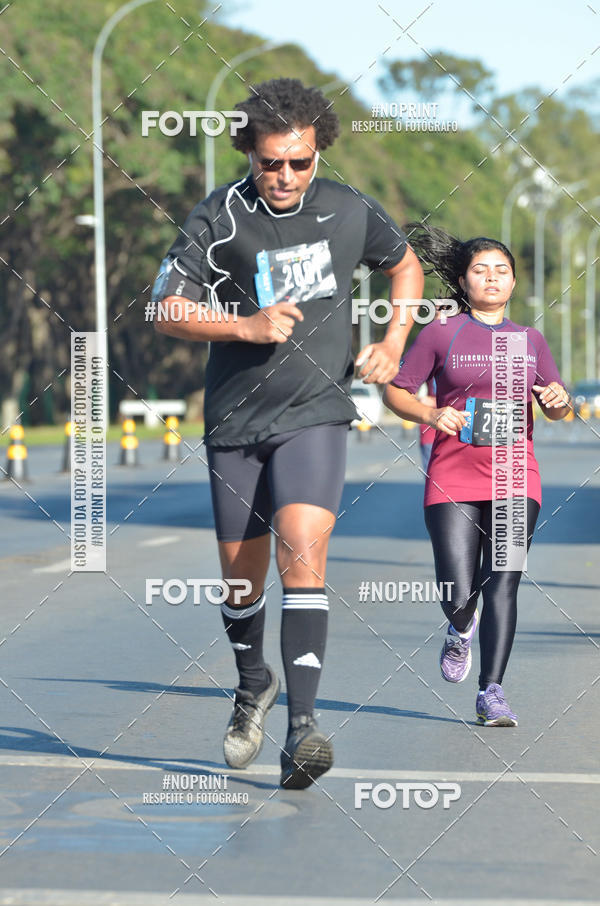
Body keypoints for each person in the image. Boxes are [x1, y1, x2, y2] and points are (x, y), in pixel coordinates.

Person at [152, 78, 424, 787]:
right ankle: (253, 686)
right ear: (249, 152)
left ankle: (303, 729)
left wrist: (394, 343)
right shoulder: (219, 217)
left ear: (317, 154)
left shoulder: (348, 210)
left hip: (317, 413)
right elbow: (165, 308)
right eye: (271, 162)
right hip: (236, 421)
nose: (284, 176)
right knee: (241, 585)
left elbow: (405, 265)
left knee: (302, 549)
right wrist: (242, 324)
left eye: (298, 162)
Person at [383, 224, 570, 726]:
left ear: (513, 283)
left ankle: (492, 692)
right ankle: (459, 628)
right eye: (480, 270)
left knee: (503, 583)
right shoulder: (443, 333)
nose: (492, 278)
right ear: (463, 282)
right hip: (452, 474)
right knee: (457, 589)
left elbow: (555, 405)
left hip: (515, 475)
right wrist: (429, 415)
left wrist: (556, 400)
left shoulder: (529, 341)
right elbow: (397, 390)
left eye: (502, 271)